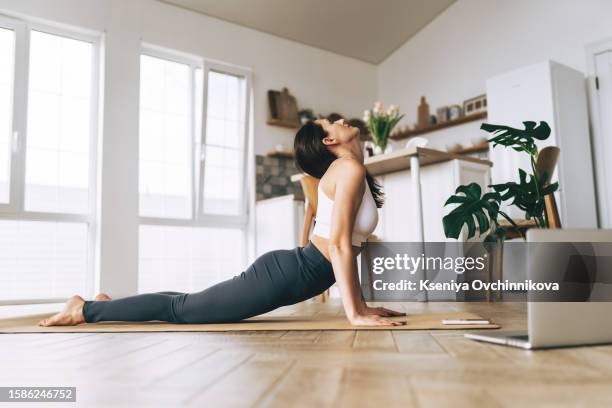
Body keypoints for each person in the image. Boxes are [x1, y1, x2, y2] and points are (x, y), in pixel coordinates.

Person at [39, 118, 405, 327]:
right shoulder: (350, 169)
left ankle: (108, 304)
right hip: (286, 274)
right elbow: (340, 245)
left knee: (185, 303)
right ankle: (84, 309)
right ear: (328, 140)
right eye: (331, 122)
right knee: (180, 311)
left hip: (293, 270)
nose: (341, 120)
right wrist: (355, 313)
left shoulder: (352, 170)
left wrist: (362, 307)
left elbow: (346, 246)